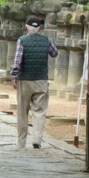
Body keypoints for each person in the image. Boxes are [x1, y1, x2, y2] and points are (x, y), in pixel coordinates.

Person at [10, 16, 57, 150]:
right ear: (39, 28)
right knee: (40, 111)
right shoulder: (47, 40)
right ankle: (37, 140)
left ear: (26, 27)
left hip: (24, 79)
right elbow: (55, 53)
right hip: (41, 80)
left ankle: (21, 141)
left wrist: (14, 76)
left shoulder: (22, 40)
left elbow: (18, 60)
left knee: (22, 111)